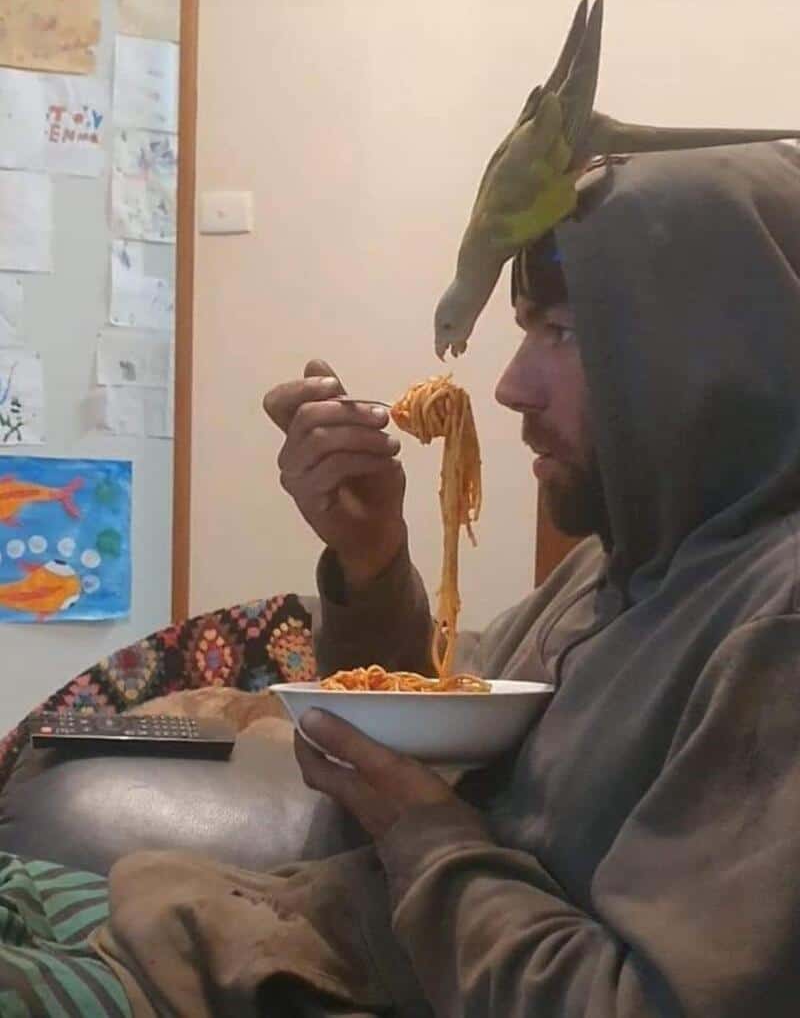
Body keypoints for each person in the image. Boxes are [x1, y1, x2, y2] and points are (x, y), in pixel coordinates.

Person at [92, 141, 800, 1017]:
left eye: (565, 332)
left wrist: (421, 836)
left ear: (713, 357)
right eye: (525, 329)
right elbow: (438, 750)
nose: (510, 387)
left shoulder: (773, 622)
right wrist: (372, 558)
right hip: (269, 941)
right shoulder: (611, 568)